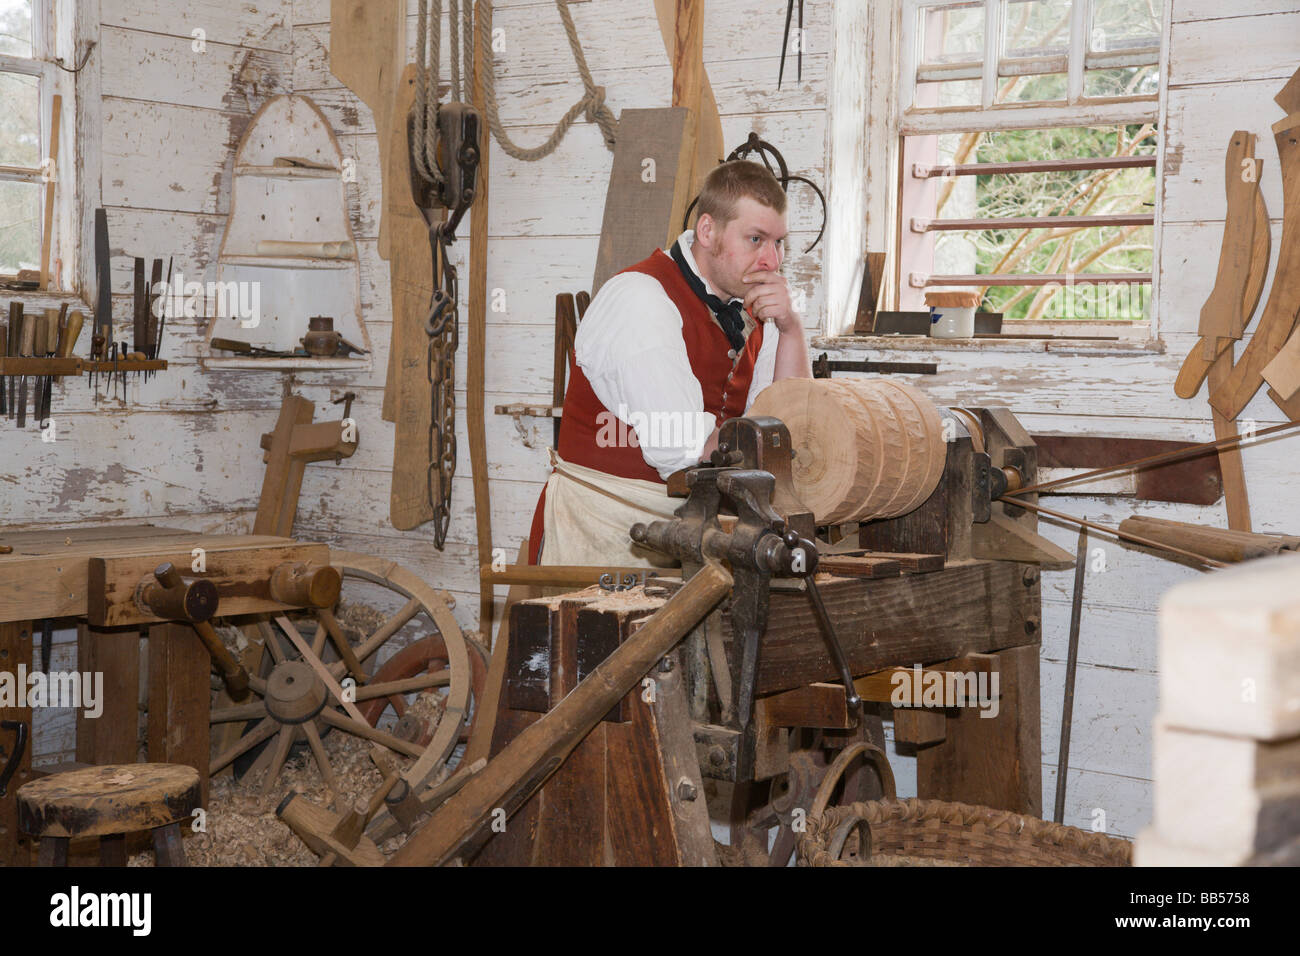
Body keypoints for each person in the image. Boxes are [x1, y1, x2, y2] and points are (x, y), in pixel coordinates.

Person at [528, 159, 812, 566]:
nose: (772, 260)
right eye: (755, 239)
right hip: (605, 531)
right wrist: (767, 441)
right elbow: (682, 449)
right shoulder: (640, 300)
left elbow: (790, 420)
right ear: (708, 231)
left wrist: (790, 330)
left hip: (692, 535)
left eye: (779, 242)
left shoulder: (757, 310)